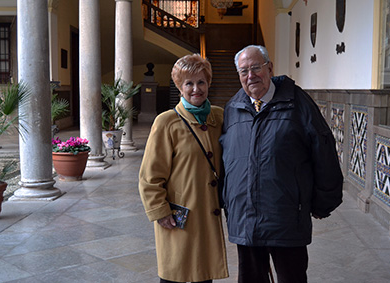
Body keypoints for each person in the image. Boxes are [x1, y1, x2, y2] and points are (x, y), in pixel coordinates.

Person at [219, 45, 343, 283]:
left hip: (286, 217)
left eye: (256, 68)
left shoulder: (298, 104)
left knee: (291, 277)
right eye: (244, 71)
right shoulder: (232, 108)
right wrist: (227, 201)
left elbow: (324, 153)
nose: (250, 76)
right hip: (246, 219)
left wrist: (322, 202)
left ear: (270, 68)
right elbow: (226, 160)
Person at [139, 54, 229, 283]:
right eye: (188, 83)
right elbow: (150, 175)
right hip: (179, 215)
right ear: (179, 87)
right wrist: (160, 210)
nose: (196, 89)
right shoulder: (166, 122)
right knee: (175, 274)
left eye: (201, 82)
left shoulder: (219, 117)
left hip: (207, 211)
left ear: (209, 83)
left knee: (203, 274)